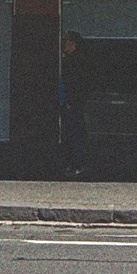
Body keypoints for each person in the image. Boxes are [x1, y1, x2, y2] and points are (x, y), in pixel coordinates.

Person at [58, 31, 88, 178]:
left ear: (72, 43)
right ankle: (74, 163)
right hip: (71, 103)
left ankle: (75, 164)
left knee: (73, 134)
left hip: (71, 104)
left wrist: (70, 101)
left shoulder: (72, 62)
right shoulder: (76, 60)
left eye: (66, 41)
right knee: (72, 133)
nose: (64, 43)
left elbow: (75, 84)